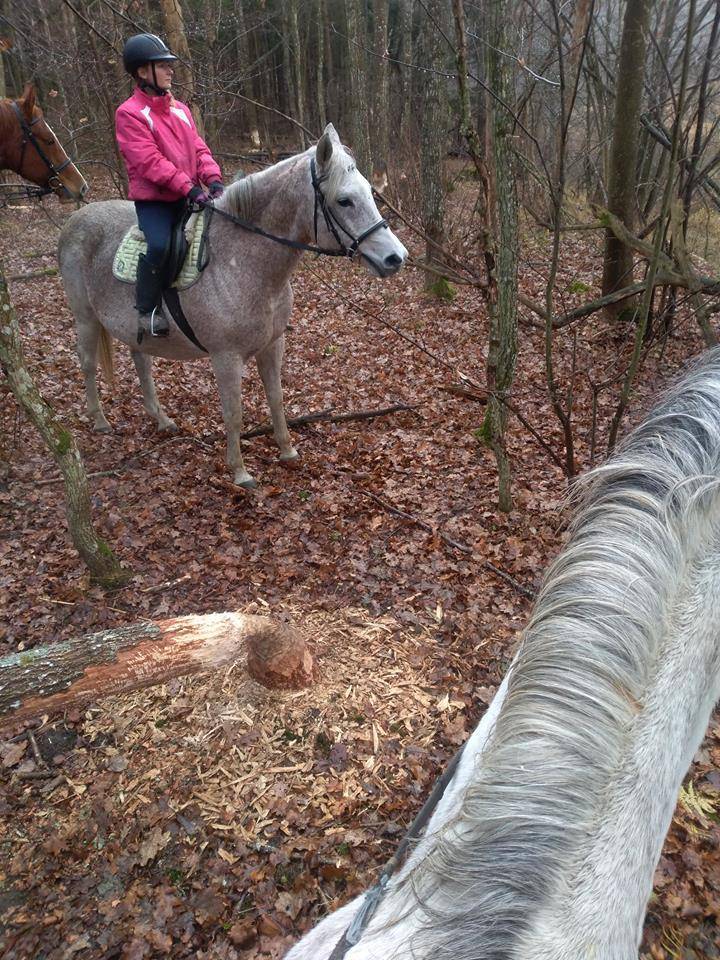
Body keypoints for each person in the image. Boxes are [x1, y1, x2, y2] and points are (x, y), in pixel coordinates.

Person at [116, 33, 224, 340]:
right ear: (142, 71)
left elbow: (198, 149)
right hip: (156, 202)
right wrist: (189, 187)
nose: (170, 70)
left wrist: (213, 179)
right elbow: (150, 162)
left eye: (169, 65)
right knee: (160, 245)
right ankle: (147, 309)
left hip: (189, 194)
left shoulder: (181, 110)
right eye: (162, 65)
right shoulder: (129, 114)